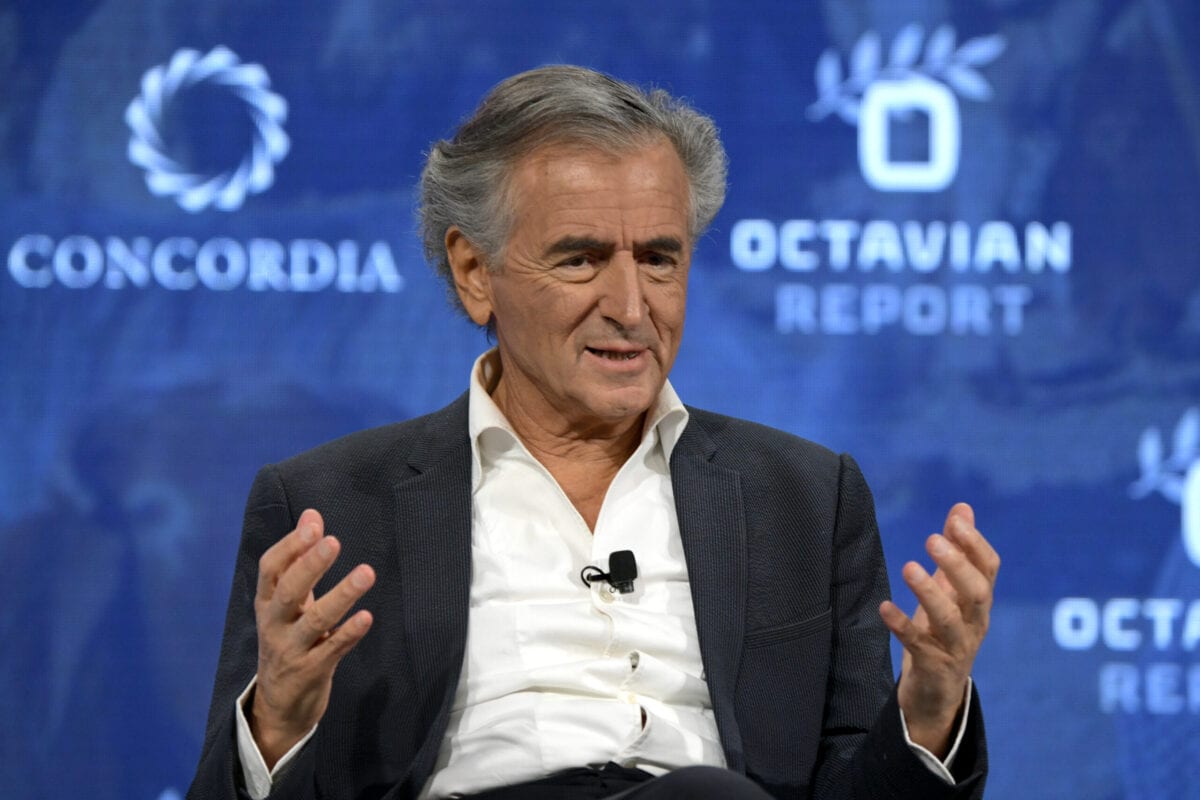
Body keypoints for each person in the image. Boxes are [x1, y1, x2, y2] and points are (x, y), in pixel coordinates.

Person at [187, 65, 997, 800]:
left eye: (658, 259)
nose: (632, 306)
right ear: (475, 274)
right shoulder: (330, 506)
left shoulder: (805, 500)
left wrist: (927, 714)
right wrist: (278, 726)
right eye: (581, 260)